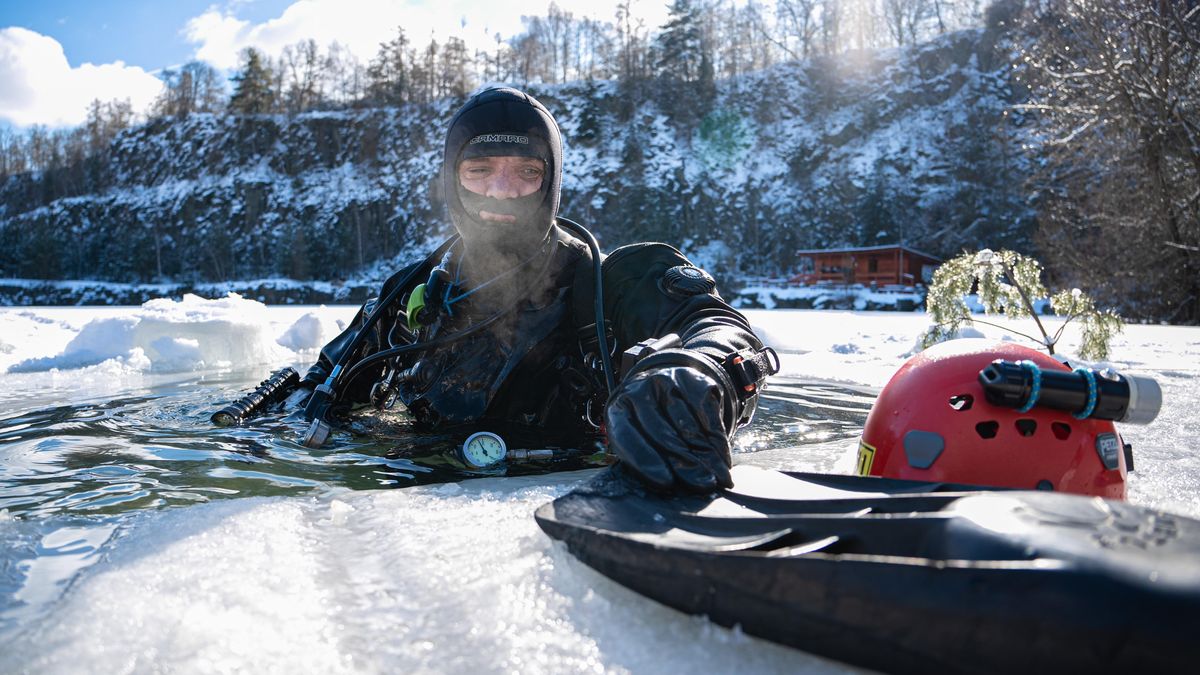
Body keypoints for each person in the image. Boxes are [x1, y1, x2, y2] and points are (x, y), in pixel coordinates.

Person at [295, 86, 776, 494]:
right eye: (479, 170)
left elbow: (717, 327)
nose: (501, 191)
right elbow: (320, 385)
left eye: (527, 172)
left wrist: (696, 372)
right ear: (452, 180)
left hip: (564, 491)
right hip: (410, 495)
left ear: (551, 182)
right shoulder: (409, 293)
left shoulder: (610, 284)